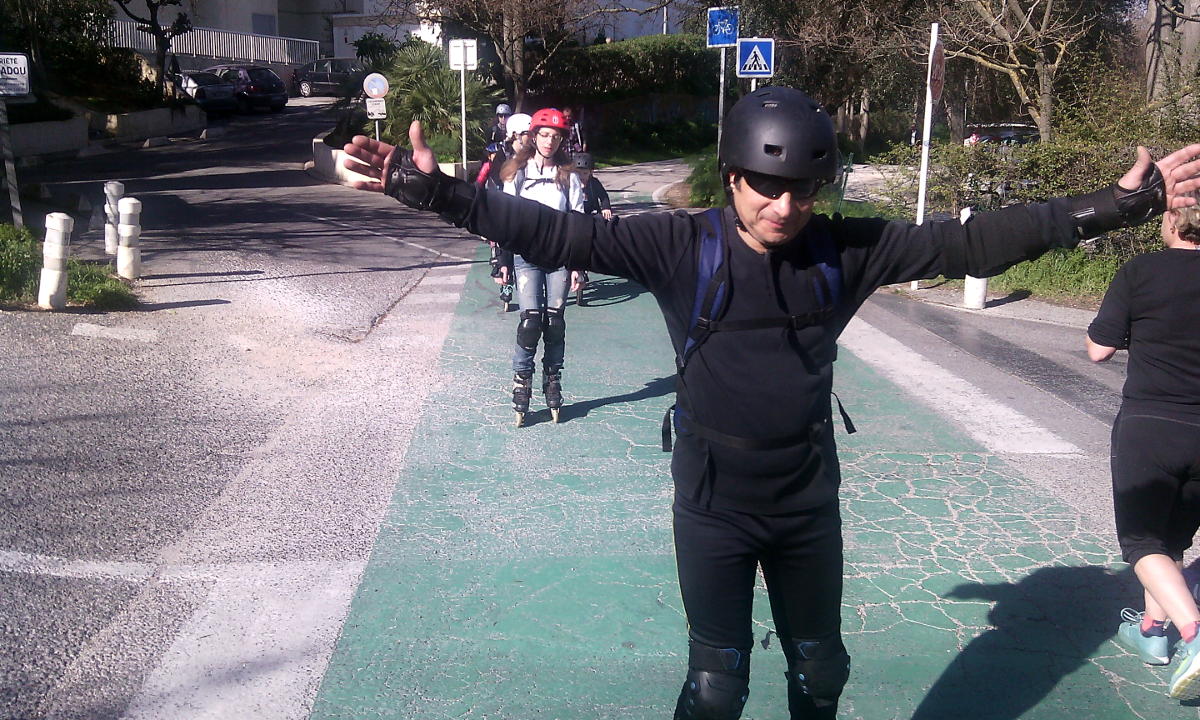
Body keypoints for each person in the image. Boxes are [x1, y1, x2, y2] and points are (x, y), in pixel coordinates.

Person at [342, 86, 1200, 719]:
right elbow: (559, 232)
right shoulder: (680, 245)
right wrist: (438, 191)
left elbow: (970, 242)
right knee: (717, 685)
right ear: (731, 177)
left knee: (821, 671)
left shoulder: (843, 251)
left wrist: (1114, 206)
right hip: (713, 504)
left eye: (803, 191)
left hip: (805, 505)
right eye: (764, 185)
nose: (785, 206)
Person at [1087, 208, 1200, 701]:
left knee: (1141, 542)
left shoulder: (1142, 270)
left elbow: (1099, 350)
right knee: (1172, 537)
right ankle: (1152, 631)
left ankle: (1194, 634)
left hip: (1151, 424)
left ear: (1174, 220)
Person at [497, 107, 585, 425]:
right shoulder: (517, 174)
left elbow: (579, 224)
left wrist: (578, 266)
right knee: (530, 323)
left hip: (559, 258)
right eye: (544, 135)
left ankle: (553, 380)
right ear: (534, 137)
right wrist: (503, 261)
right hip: (527, 258)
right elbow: (506, 221)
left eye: (555, 137)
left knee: (555, 323)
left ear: (562, 141)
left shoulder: (569, 176)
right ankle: (522, 383)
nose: (549, 141)